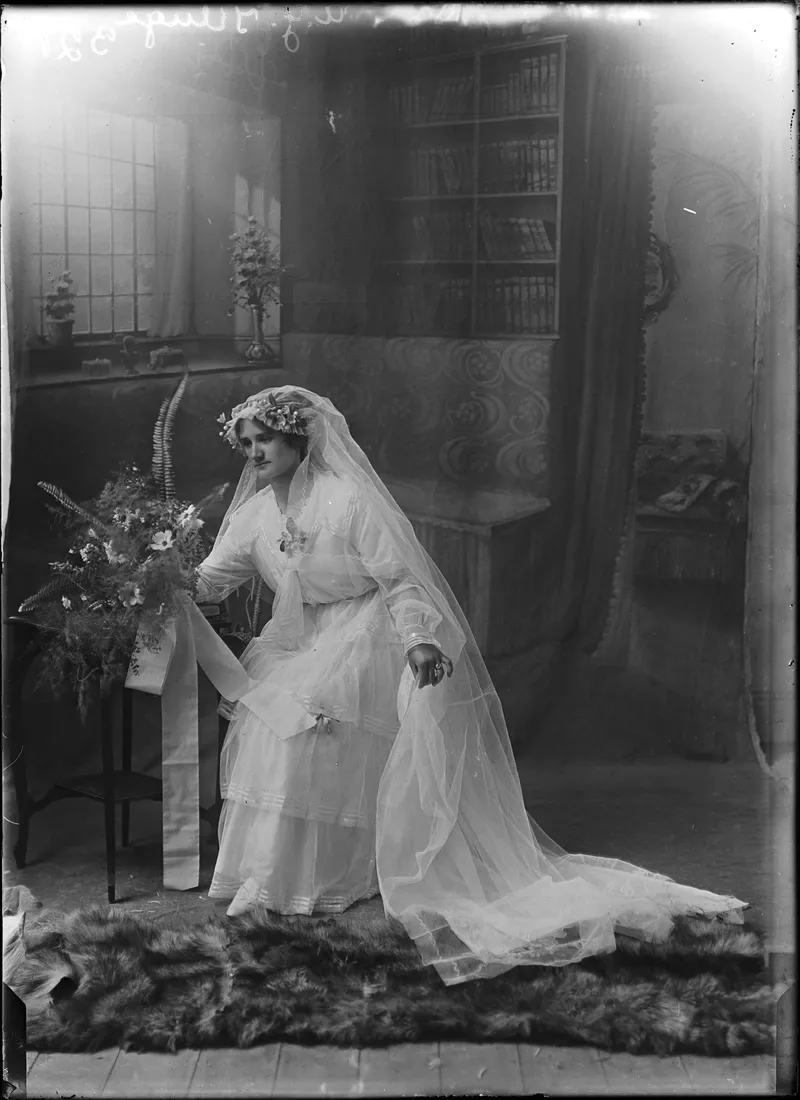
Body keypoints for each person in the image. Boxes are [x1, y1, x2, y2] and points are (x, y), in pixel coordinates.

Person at [196, 386, 747, 986]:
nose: (255, 452)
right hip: (300, 636)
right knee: (268, 717)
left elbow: (401, 579)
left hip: (368, 629)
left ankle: (335, 871)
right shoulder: (253, 515)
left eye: (266, 439)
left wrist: (417, 638)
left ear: (297, 440)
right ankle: (271, 876)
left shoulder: (346, 499)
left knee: (308, 714)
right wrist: (155, 577)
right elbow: (211, 580)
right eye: (246, 443)